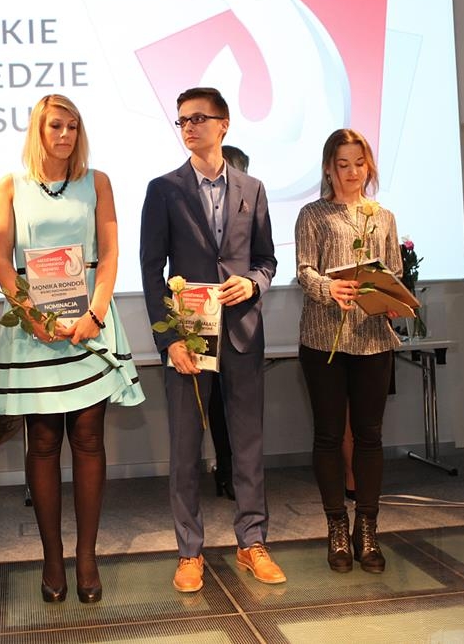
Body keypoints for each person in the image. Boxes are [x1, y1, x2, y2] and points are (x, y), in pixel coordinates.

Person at [0, 94, 145, 605]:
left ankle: (88, 556)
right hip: (33, 327)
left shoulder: (97, 182)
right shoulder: (10, 186)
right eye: (56, 126)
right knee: (42, 442)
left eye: (72, 127)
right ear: (38, 130)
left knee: (89, 439)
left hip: (89, 323)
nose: (64, 135)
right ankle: (52, 557)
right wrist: (30, 314)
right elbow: (1, 257)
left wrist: (95, 314)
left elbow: (111, 251)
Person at [140, 87, 283, 593]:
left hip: (242, 332)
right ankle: (189, 551)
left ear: (224, 124)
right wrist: (168, 342)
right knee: (185, 449)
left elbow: (267, 260)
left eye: (199, 118)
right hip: (188, 337)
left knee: (247, 445)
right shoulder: (164, 189)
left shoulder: (253, 188)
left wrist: (254, 283)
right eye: (182, 120)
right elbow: (151, 271)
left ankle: (252, 542)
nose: (189, 127)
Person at [294, 128, 401, 573]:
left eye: (359, 163)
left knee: (370, 436)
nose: (352, 172)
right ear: (328, 168)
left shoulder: (383, 216)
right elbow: (304, 271)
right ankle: (337, 528)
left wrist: (394, 300)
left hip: (373, 340)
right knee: (328, 435)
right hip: (324, 341)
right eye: (343, 164)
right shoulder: (313, 214)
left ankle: (367, 529)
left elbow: (394, 271)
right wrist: (328, 287)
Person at [205, 144, 249, 501]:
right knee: (216, 403)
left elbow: (263, 259)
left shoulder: (253, 201)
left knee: (240, 405)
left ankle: (238, 472)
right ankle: (225, 468)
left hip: (241, 320)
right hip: (203, 317)